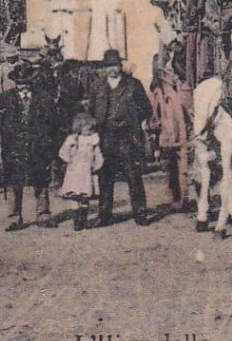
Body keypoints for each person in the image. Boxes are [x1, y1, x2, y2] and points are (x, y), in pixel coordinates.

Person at [88, 49, 153, 226]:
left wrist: (133, 123)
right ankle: (104, 214)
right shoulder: (98, 87)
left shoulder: (133, 85)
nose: (112, 69)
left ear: (120, 66)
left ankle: (140, 212)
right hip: (106, 136)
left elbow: (146, 108)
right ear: (104, 68)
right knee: (105, 177)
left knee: (133, 175)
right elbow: (91, 110)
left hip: (128, 137)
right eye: (109, 66)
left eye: (115, 65)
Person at [0, 65, 56, 230]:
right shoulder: (5, 98)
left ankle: (43, 214)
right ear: (15, 83)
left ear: (32, 82)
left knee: (41, 180)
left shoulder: (44, 98)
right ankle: (14, 217)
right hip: (14, 147)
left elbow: (52, 123)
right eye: (20, 83)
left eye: (26, 83)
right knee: (14, 181)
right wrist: (8, 135)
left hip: (38, 147)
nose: (23, 87)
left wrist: (46, 142)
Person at [147, 48, 194, 210]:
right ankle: (177, 197)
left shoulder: (183, 88)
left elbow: (188, 108)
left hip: (183, 131)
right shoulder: (158, 91)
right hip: (168, 131)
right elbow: (156, 111)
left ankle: (184, 197)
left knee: (183, 165)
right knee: (173, 167)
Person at [57, 112, 105, 231]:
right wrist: (69, 161)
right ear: (79, 127)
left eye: (91, 128)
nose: (89, 130)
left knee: (85, 196)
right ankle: (76, 221)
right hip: (75, 171)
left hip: (87, 172)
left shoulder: (93, 139)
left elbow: (99, 155)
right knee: (75, 196)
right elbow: (63, 152)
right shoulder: (73, 139)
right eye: (86, 128)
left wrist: (97, 165)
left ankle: (84, 220)